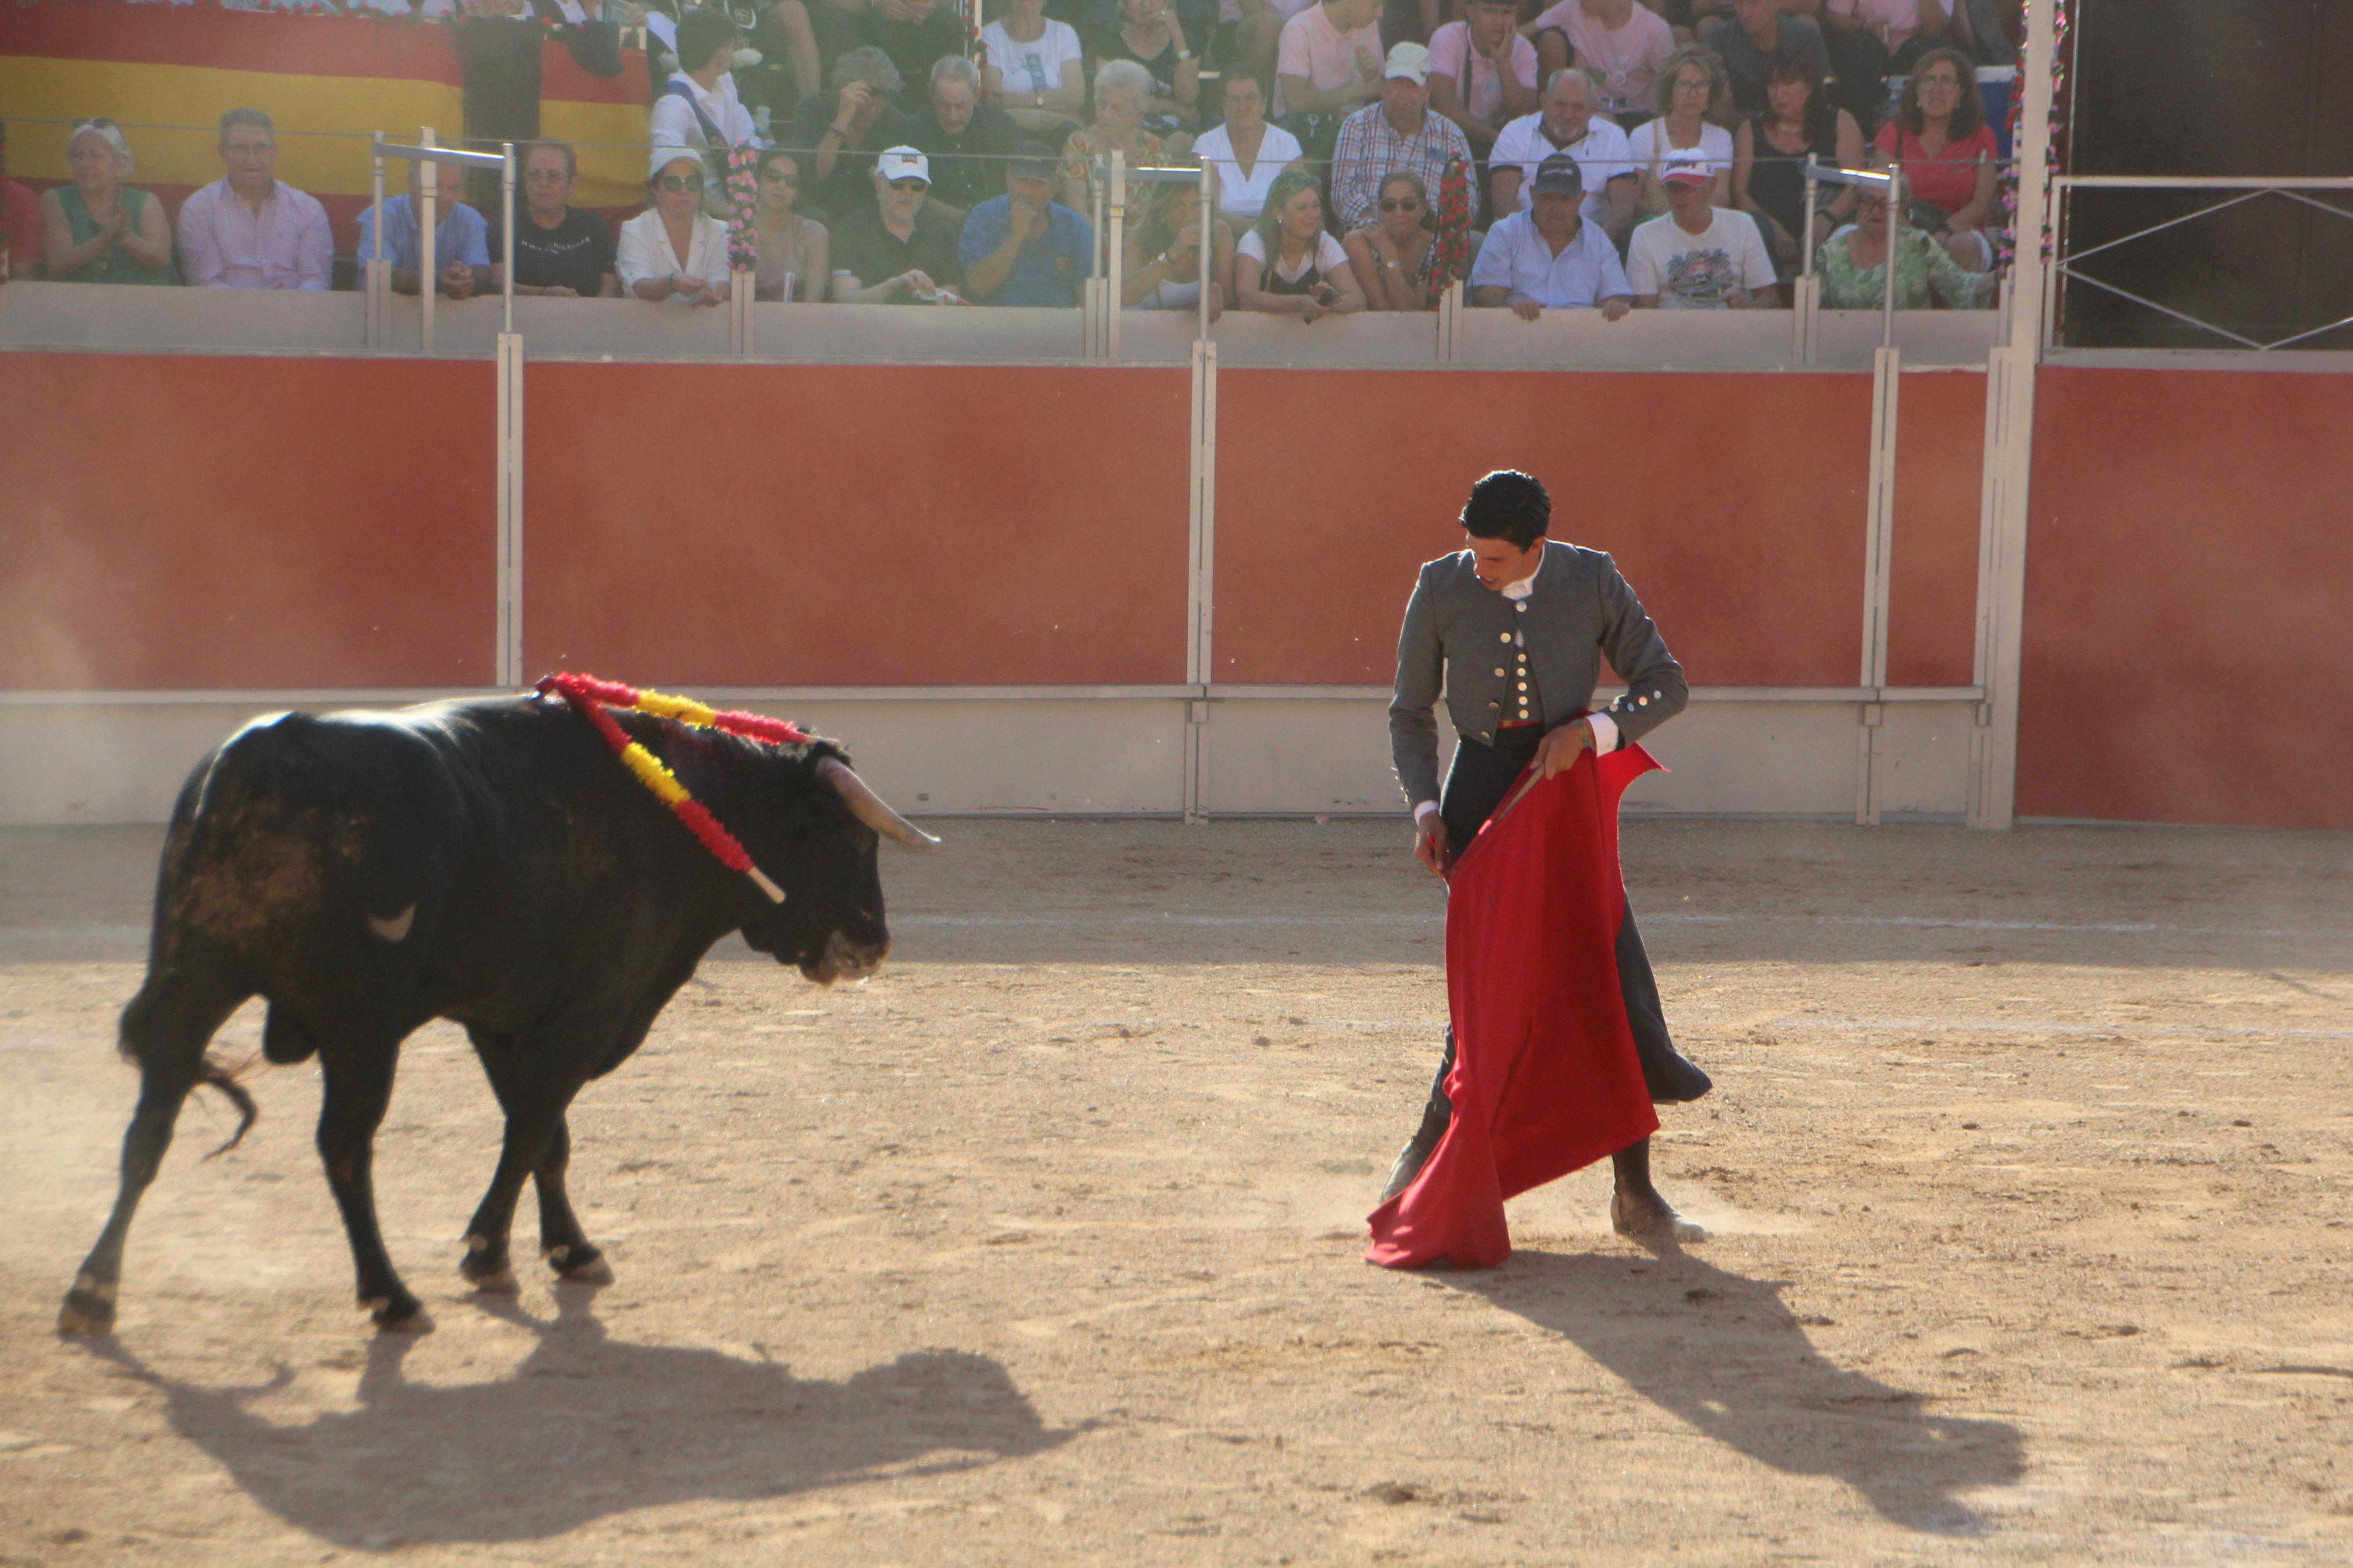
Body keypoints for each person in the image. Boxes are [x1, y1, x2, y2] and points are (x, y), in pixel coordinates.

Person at [1379, 467, 1712, 1236]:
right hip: (1479, 796)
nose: (1478, 569)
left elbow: (1664, 683)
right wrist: (1425, 808)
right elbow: (1408, 712)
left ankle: (1634, 1193)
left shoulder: (1589, 576)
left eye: (1494, 558)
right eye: (1472, 552)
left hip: (1564, 794)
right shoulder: (1438, 584)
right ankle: (1419, 1166)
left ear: (1536, 547)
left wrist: (1592, 731)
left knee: (1605, 975)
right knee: (1484, 993)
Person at [1731, 41, 1862, 278]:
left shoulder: (1841, 122)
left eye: (1789, 83)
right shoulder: (1749, 131)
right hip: (1768, 237)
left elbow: (1856, 184)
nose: (1779, 93)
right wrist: (1772, 228)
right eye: (1773, 84)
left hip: (1829, 230)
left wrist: (1827, 218)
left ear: (1810, 87)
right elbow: (1740, 192)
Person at [1870, 45, 1997, 271]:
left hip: (1961, 230)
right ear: (1916, 92)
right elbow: (1882, 196)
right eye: (1929, 80)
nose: (1937, 89)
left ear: (1961, 93)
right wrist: (1915, 236)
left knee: (1961, 247)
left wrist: (1944, 230)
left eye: (1947, 81)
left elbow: (1982, 204)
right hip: (1903, 229)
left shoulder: (1981, 136)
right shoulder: (1893, 133)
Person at [177, 109, 333, 291]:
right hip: (225, 309)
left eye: (261, 148)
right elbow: (206, 283)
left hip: (294, 307)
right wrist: (254, 305)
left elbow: (316, 281)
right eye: (240, 148)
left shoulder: (308, 209)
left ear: (274, 151)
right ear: (222, 152)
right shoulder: (199, 208)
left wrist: (291, 304)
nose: (252, 159)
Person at [1329, 43, 1473, 234]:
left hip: (1431, 239)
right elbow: (1343, 195)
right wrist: (1379, 232)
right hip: (1367, 239)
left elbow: (1469, 202)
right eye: (1397, 83)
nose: (1403, 94)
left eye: (1413, 85)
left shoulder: (1450, 135)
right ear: (1383, 85)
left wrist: (1424, 235)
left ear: (1428, 89)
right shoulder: (1357, 126)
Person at [1470, 151, 1633, 318]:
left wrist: (1614, 307)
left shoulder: (1598, 240)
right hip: (1518, 329)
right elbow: (1487, 297)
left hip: (1582, 332)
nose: (1557, 208)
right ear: (1533, 195)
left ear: (1581, 198)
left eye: (1566, 199)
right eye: (1548, 197)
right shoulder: (1506, 232)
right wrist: (1512, 312)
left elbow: (1612, 302)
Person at [1489, 70, 1636, 246]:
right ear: (1544, 102)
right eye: (1560, 105)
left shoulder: (1613, 137)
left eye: (1578, 107)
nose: (1568, 114)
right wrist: (1537, 244)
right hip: (1522, 240)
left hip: (1592, 242)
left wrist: (1596, 247)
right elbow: (1503, 201)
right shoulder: (1515, 132)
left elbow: (1623, 208)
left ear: (1592, 109)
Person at [1626, 150, 1776, 305]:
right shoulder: (1645, 235)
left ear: (1712, 185)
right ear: (1664, 190)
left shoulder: (1742, 225)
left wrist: (1748, 309)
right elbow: (1644, 309)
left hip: (1731, 320)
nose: (1680, 195)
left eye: (1689, 187)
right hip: (1669, 321)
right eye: (1673, 188)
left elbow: (1770, 297)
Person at [38, 119, 176, 286]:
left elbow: (161, 259)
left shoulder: (147, 202)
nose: (85, 164)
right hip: (75, 300)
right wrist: (104, 239)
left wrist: (126, 237)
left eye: (95, 156)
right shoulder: (54, 200)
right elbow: (57, 265)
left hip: (139, 299)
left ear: (120, 164)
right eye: (77, 156)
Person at [961, 142, 1095, 305]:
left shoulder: (1074, 226)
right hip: (997, 319)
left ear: (1054, 189)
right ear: (1008, 180)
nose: (1027, 192)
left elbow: (1088, 300)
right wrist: (1015, 237)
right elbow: (977, 288)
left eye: (1038, 184)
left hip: (1057, 320)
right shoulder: (984, 216)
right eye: (1021, 181)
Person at [1815, 184, 1990, 308]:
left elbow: (1962, 287)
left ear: (1900, 208)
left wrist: (1997, 278)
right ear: (1858, 205)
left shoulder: (1919, 245)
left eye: (1886, 203)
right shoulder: (1832, 252)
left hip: (1910, 342)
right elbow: (1815, 310)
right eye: (1869, 202)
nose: (1876, 211)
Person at [829, 145, 964, 301]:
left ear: (926, 189)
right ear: (879, 186)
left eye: (917, 186)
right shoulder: (851, 230)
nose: (907, 191)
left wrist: (929, 292)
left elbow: (953, 298)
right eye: (898, 184)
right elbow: (844, 299)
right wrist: (893, 287)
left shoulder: (942, 234)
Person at [796, 47, 915, 222]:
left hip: (870, 216)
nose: (872, 112)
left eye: (879, 107)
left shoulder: (896, 123)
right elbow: (816, 174)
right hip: (818, 210)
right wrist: (843, 119)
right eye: (864, 104)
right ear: (843, 87)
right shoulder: (813, 108)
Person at [1234, 166, 1368, 318]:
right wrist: (1300, 303)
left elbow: (1358, 299)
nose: (1312, 214)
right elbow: (1246, 298)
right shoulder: (1255, 241)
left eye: (1315, 206)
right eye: (1302, 208)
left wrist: (1327, 302)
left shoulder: (1325, 243)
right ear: (1279, 213)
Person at [493, 140, 620, 298]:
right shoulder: (506, 223)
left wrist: (593, 311)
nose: (543, 184)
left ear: (572, 184)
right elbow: (497, 284)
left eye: (553, 176)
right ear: (524, 180)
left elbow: (611, 283)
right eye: (534, 175)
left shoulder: (594, 226)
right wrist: (544, 294)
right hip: (525, 313)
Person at [356, 155, 494, 298]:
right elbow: (380, 274)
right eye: (434, 187)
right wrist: (438, 281)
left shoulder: (470, 219)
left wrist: (467, 279)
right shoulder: (378, 216)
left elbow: (482, 273)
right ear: (411, 181)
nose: (444, 197)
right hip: (379, 311)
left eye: (452, 188)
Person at [907, 55, 1021, 223]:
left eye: (960, 107)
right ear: (931, 94)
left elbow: (1021, 186)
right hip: (935, 229)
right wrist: (967, 220)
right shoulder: (915, 129)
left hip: (997, 226)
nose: (952, 116)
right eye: (944, 106)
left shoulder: (1001, 127)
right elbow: (908, 193)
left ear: (977, 95)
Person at [1525, 0, 1676, 127]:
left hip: (1637, 118)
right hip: (1585, 114)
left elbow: (1672, 85)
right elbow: (1525, 33)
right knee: (1550, 38)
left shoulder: (1655, 30)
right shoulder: (1573, 9)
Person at [1191, 66, 1305, 230]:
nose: (1242, 107)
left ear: (1264, 102)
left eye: (1250, 98)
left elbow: (1297, 205)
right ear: (1224, 105)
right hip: (1222, 234)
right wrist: (1250, 229)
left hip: (1277, 234)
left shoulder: (1286, 144)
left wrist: (1264, 233)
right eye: (1234, 100)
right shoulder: (1206, 145)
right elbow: (1207, 209)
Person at [1626, 44, 1733, 215]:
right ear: (1670, 91)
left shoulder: (1721, 137)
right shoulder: (1643, 135)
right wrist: (1669, 218)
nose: (1693, 93)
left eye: (1701, 85)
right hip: (1654, 223)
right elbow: (1632, 198)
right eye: (1684, 85)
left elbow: (1721, 197)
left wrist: (1693, 220)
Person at [616, 149, 732, 304]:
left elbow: (723, 281)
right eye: (673, 183)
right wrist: (672, 283)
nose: (684, 190)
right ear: (655, 190)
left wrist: (714, 291)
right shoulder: (634, 230)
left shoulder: (721, 231)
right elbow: (638, 287)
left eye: (692, 182)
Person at [1059, 60, 1172, 216]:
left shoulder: (1155, 149)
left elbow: (1158, 213)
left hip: (1142, 232)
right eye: (1102, 104)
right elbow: (1077, 213)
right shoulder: (1079, 144)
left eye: (1116, 108)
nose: (1106, 115)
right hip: (1091, 230)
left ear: (1137, 115)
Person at [1426, 0, 1538, 157]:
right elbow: (1442, 106)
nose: (1499, 20)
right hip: (1447, 137)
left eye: (1507, 12)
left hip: (1499, 139)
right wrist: (1495, 138)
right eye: (1490, 11)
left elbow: (1526, 117)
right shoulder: (1447, 37)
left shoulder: (1524, 49)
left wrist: (1502, 62)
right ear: (1470, 12)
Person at [1822, 0, 1965, 121]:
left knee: (1938, 49)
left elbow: (1934, 31)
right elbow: (1834, 17)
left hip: (1915, 47)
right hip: (1870, 43)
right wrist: (1865, 26)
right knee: (1857, 49)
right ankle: (1863, 132)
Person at [1122, 160, 1232, 315]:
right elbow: (1125, 296)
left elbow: (1230, 301)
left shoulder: (1220, 233)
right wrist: (1173, 253)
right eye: (1177, 206)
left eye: (1195, 205)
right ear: (1163, 211)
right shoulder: (1139, 237)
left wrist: (1217, 289)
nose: (1188, 216)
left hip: (1198, 328)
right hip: (1144, 325)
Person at [650, 8, 760, 162]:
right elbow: (667, 166)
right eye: (731, 47)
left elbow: (747, 137)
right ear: (721, 59)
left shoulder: (725, 81)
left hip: (736, 178)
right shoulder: (672, 105)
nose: (733, 53)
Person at [1702, 0, 1829, 117]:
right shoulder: (1719, 39)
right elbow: (1720, 109)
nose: (1745, 14)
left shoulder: (1805, 37)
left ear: (1777, 3)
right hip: (1741, 127)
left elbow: (1820, 98)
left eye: (1754, 3)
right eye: (1739, 3)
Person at [1092, 0, 1203, 134]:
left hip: (1177, 131)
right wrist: (1173, 108)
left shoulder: (1186, 41)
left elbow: (1188, 97)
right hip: (1127, 129)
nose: (1146, 3)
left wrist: (1178, 37)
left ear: (1166, 3)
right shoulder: (1110, 45)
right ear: (1126, 7)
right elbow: (1107, 100)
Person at [981, 0, 1088, 137]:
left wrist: (1022, 101)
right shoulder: (990, 36)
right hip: (1011, 135)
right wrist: (1057, 116)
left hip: (1058, 135)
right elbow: (996, 102)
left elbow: (1075, 97)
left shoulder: (1063, 33)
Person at [1272, 0, 1384, 130]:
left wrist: (1371, 76)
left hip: (1354, 126)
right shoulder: (1299, 29)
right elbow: (1295, 102)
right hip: (1304, 128)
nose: (1380, 14)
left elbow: (1381, 85)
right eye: (1375, 5)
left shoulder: (1369, 26)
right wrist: (1362, 91)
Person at [1343, 169, 1440, 310]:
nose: (1399, 213)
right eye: (1389, 205)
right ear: (1380, 209)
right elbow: (1384, 310)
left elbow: (1412, 314)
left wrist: (1389, 255)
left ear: (1425, 208)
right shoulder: (1360, 240)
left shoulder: (1437, 247)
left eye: (1408, 204)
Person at [750, 145, 829, 298]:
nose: (781, 186)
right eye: (773, 176)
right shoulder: (736, 230)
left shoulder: (813, 234)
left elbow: (814, 299)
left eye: (791, 181)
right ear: (758, 180)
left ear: (798, 191)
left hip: (798, 314)